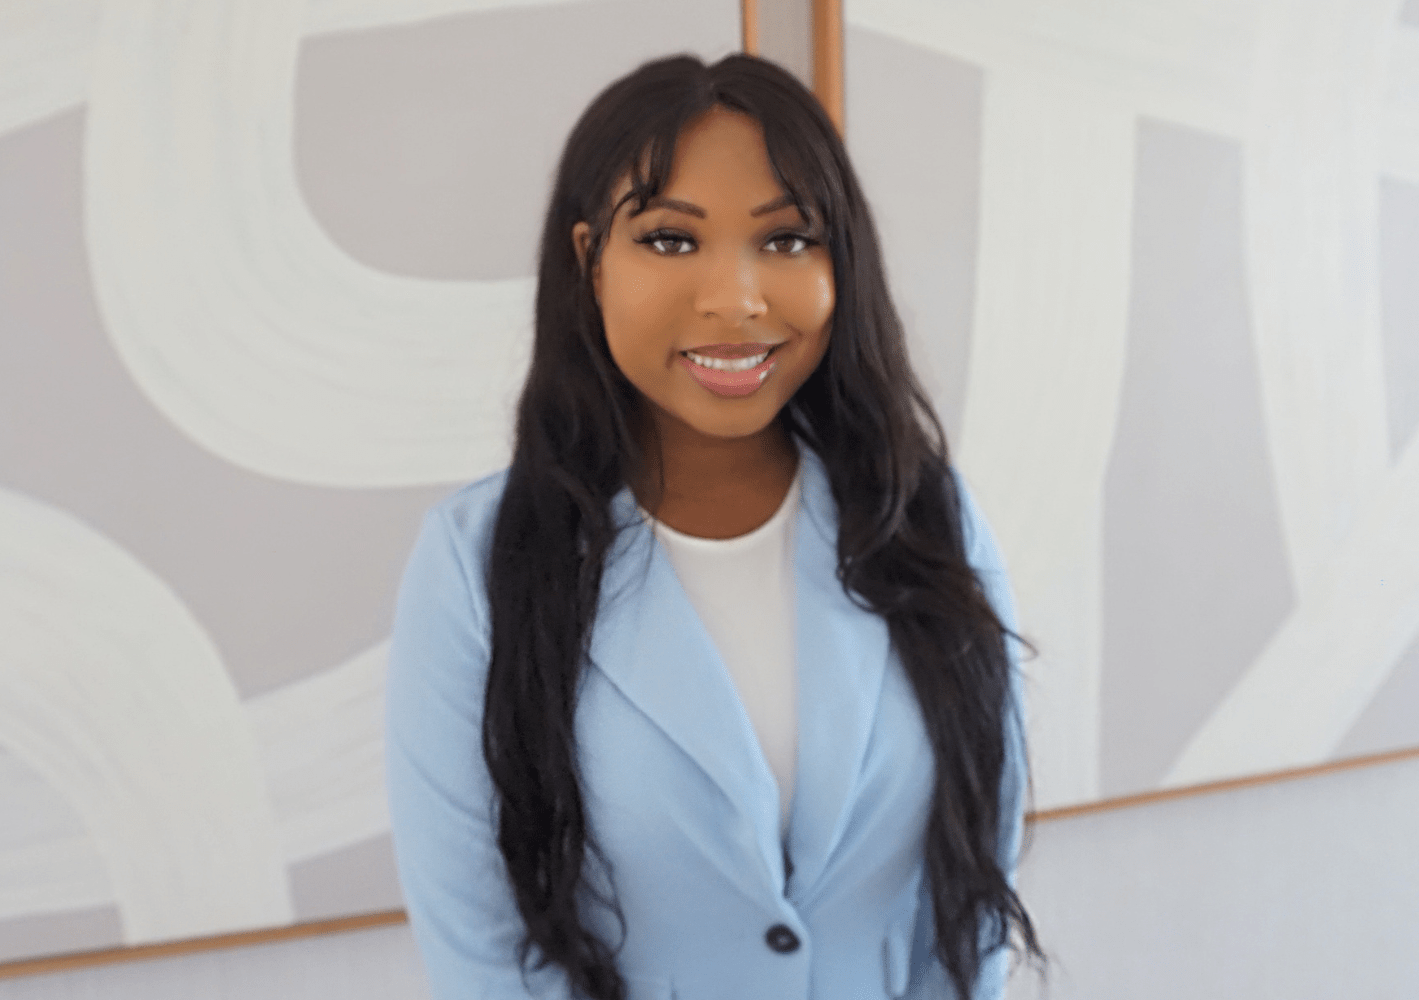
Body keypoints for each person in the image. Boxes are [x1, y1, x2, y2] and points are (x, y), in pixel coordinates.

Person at [385, 53, 1040, 1000]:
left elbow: (973, 888)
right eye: (668, 241)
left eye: (785, 242)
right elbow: (484, 950)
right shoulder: (477, 564)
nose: (736, 299)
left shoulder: (926, 516)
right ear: (588, 263)